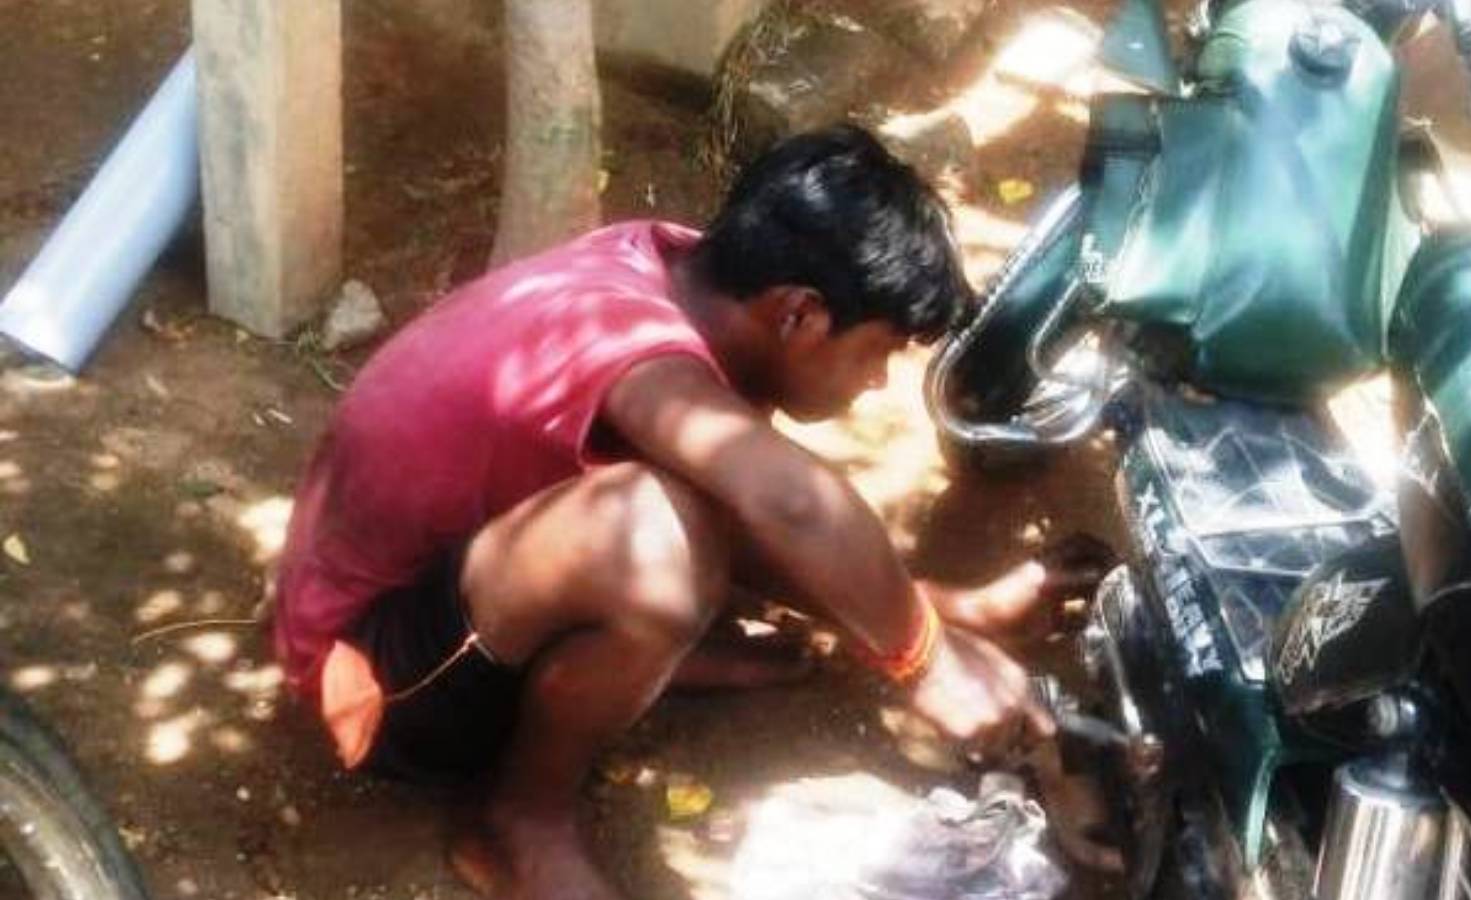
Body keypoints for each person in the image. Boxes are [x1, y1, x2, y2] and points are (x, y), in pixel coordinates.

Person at [272, 125, 1056, 900]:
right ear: (798, 315)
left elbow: (758, 508)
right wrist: (926, 661)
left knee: (698, 506)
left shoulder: (683, 272)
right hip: (373, 682)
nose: (878, 383)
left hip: (467, 594)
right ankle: (516, 827)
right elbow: (787, 500)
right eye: (879, 351)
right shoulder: (633, 342)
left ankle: (636, 655)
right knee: (654, 538)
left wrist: (922, 611)